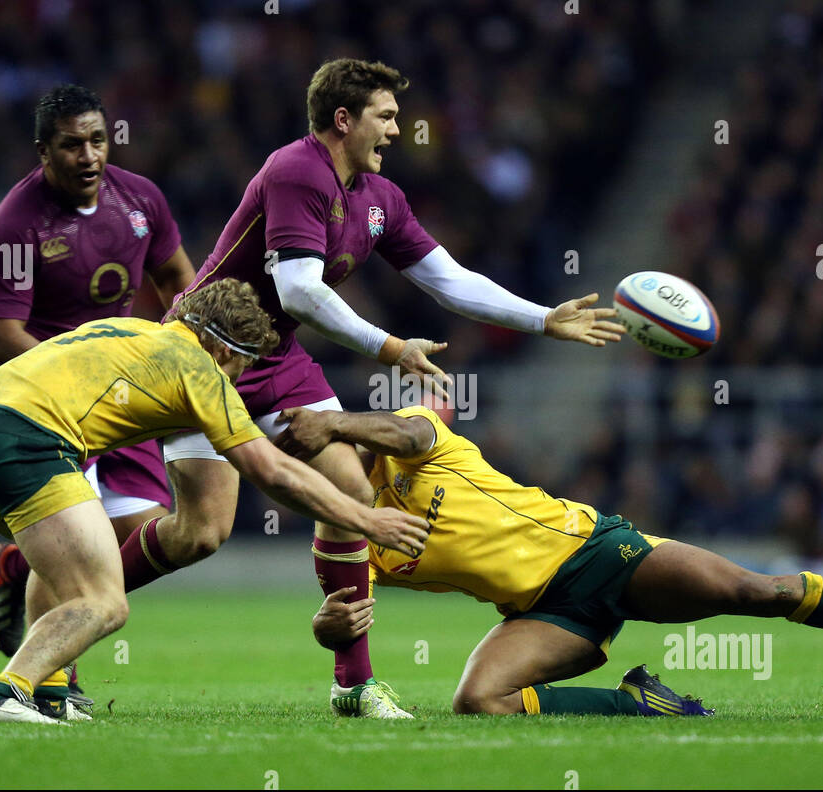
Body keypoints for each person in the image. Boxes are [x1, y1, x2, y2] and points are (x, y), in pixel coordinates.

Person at [141, 58, 626, 719]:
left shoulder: (379, 198)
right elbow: (298, 289)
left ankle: (354, 683)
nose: (399, 130)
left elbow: (449, 279)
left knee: (350, 490)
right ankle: (51, 580)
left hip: (278, 358)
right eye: (387, 116)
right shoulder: (295, 170)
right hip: (205, 353)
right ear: (345, 119)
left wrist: (543, 318)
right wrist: (391, 347)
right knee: (200, 534)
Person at [274, 405, 823, 717]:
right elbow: (340, 625)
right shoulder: (348, 540)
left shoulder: (415, 441)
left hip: (598, 552)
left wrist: (333, 417)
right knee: (477, 702)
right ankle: (640, 702)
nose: (319, 469)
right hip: (545, 614)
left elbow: (404, 428)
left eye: (324, 452)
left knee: (758, 591)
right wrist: (326, 628)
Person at [0, 280, 429, 725]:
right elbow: (272, 471)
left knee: (69, 558)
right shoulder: (201, 370)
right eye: (240, 367)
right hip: (26, 445)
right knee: (104, 599)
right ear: (220, 347)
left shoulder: (132, 329)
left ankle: (48, 691)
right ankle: (6, 692)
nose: (237, 382)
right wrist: (366, 517)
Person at [0, 84, 198, 673]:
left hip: (122, 396)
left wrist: (176, 351)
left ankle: (20, 565)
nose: (90, 156)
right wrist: (74, 377)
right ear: (43, 151)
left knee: (157, 536)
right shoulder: (13, 224)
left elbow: (179, 280)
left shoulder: (141, 200)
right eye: (72, 146)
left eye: (98, 141)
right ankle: (49, 681)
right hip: (44, 406)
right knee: (78, 546)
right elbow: (0, 334)